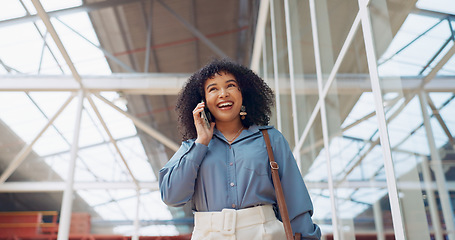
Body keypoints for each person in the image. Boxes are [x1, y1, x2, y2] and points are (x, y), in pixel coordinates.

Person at [159, 59, 321, 239]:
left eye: (231, 86)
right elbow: (172, 196)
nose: (223, 93)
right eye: (213, 89)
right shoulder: (192, 147)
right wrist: (201, 143)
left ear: (243, 93)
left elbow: (294, 199)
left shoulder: (270, 139)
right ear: (202, 101)